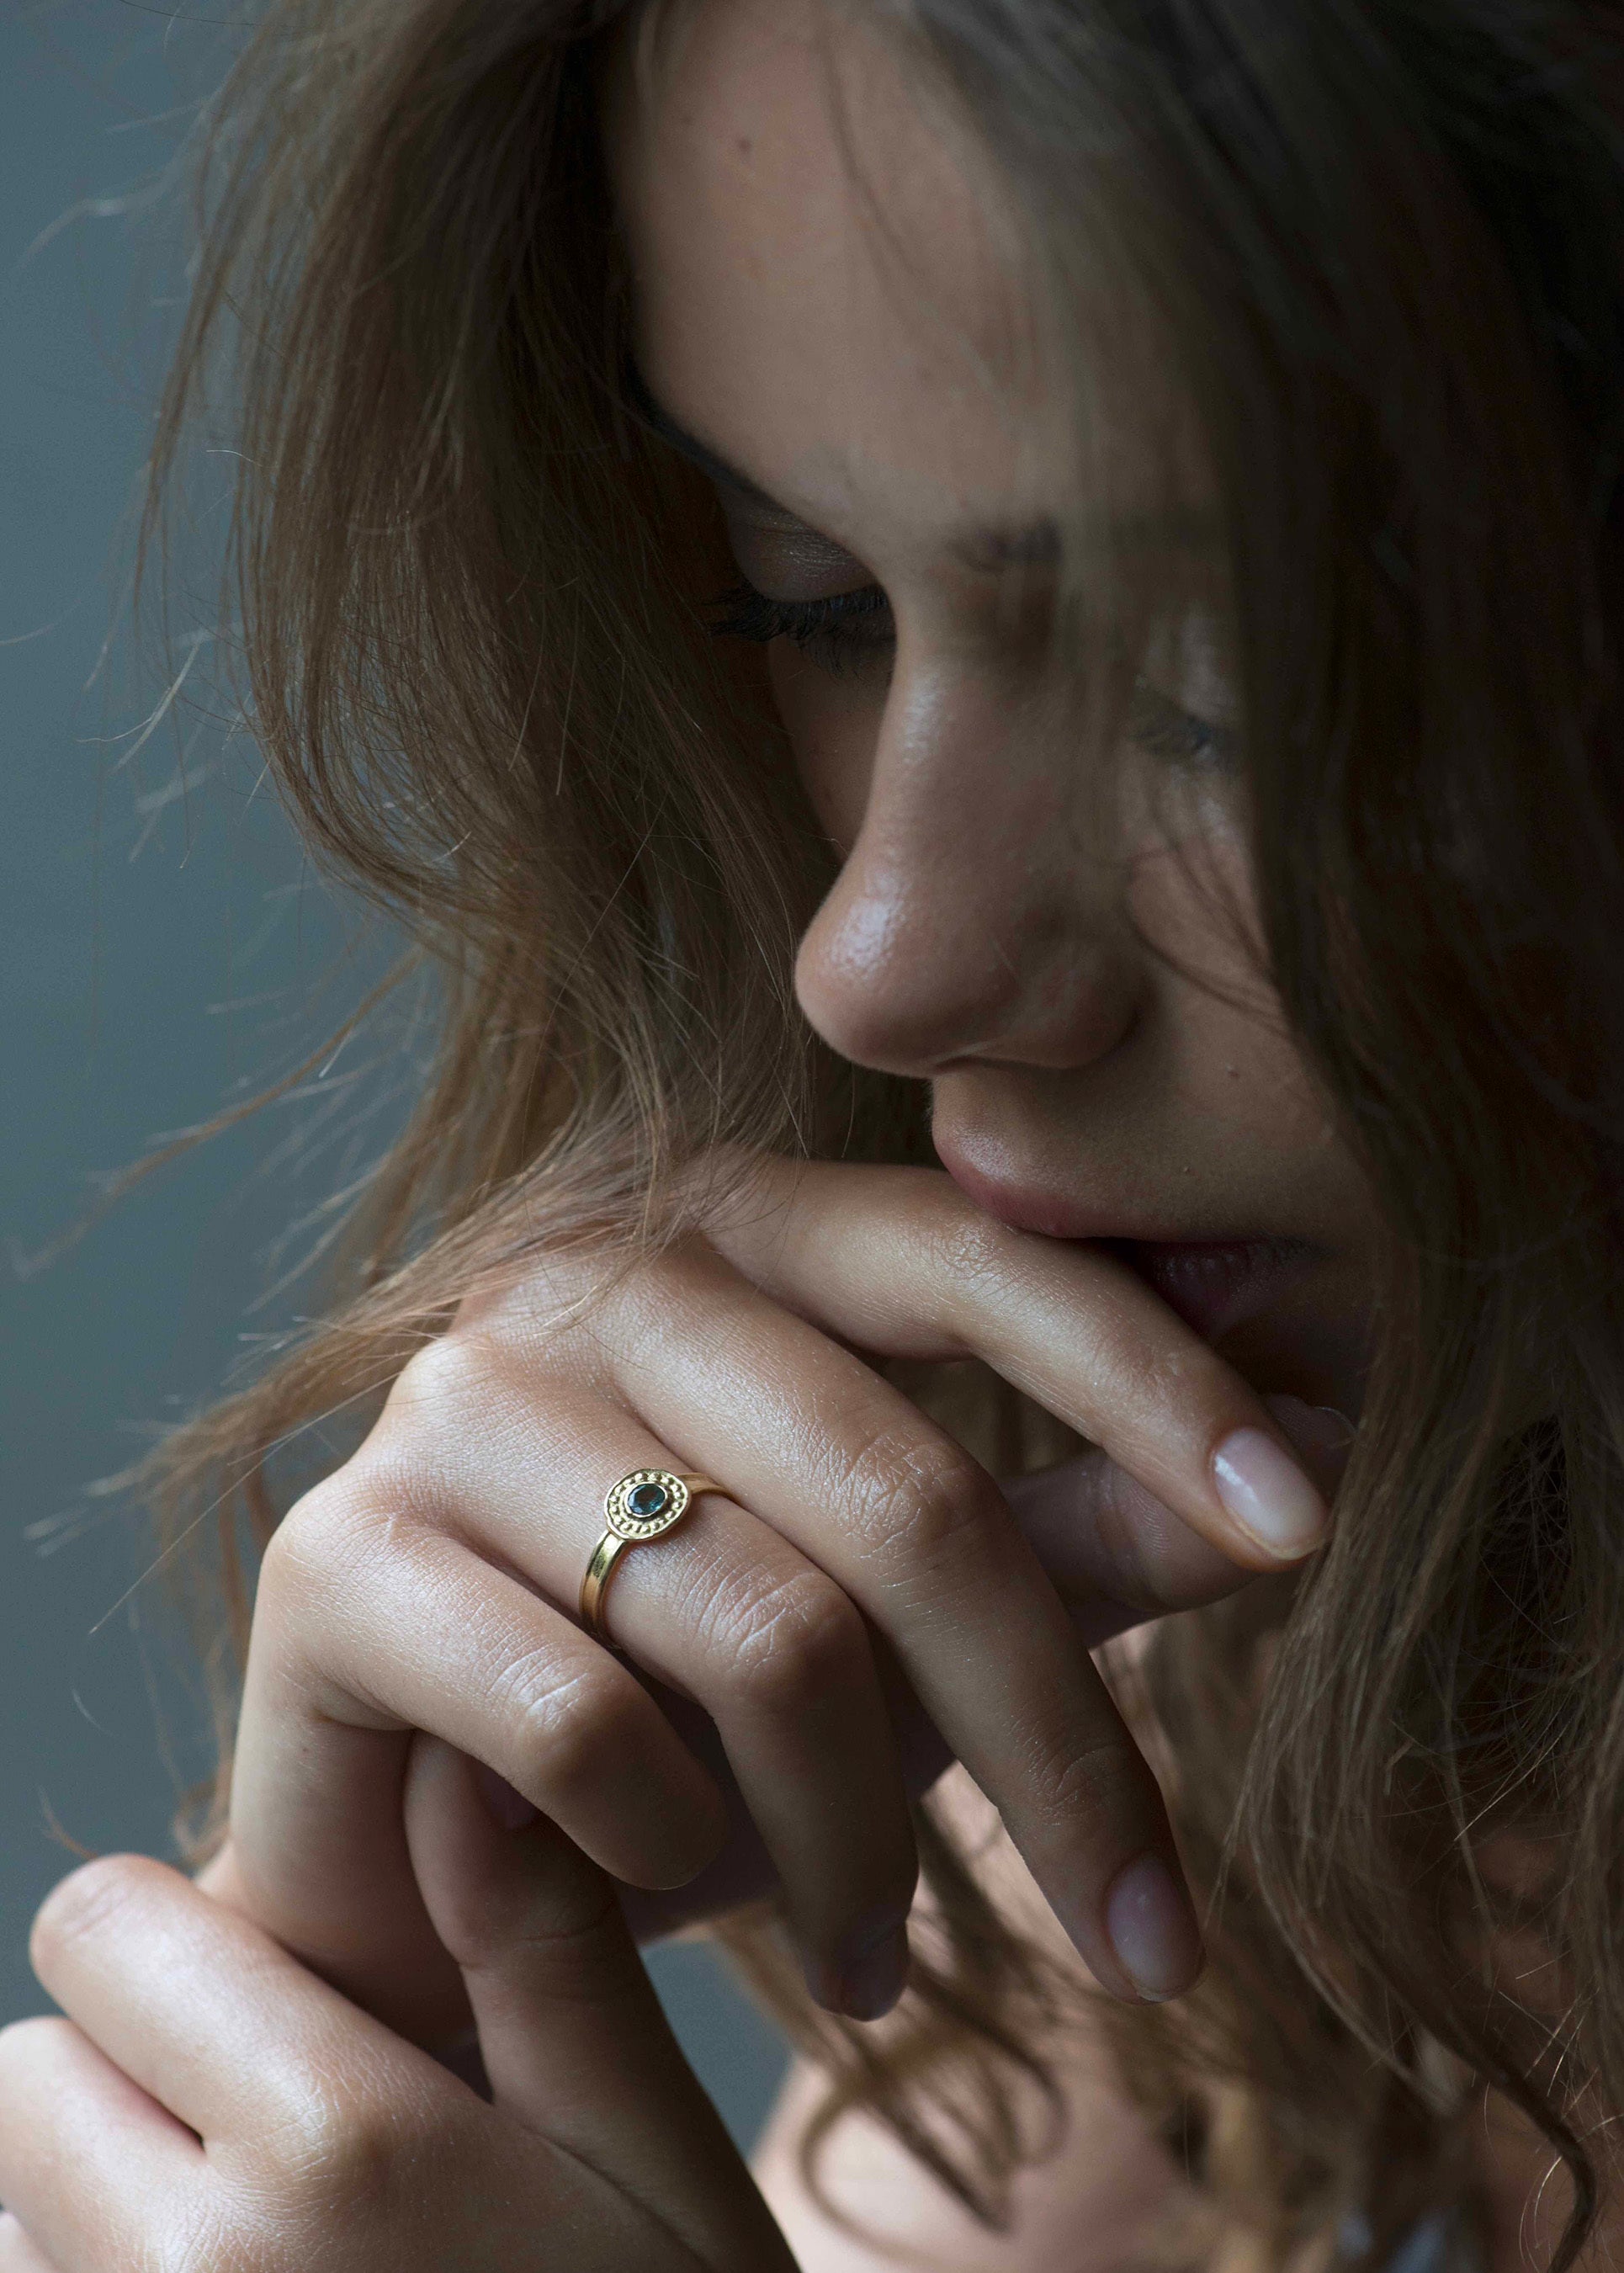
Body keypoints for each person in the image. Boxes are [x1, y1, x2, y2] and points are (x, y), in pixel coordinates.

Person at [3, 0, 1622, 2262]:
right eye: (816, 601)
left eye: (1231, 679)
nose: (877, 958)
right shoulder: (1252, 1871)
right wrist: (364, 2027)